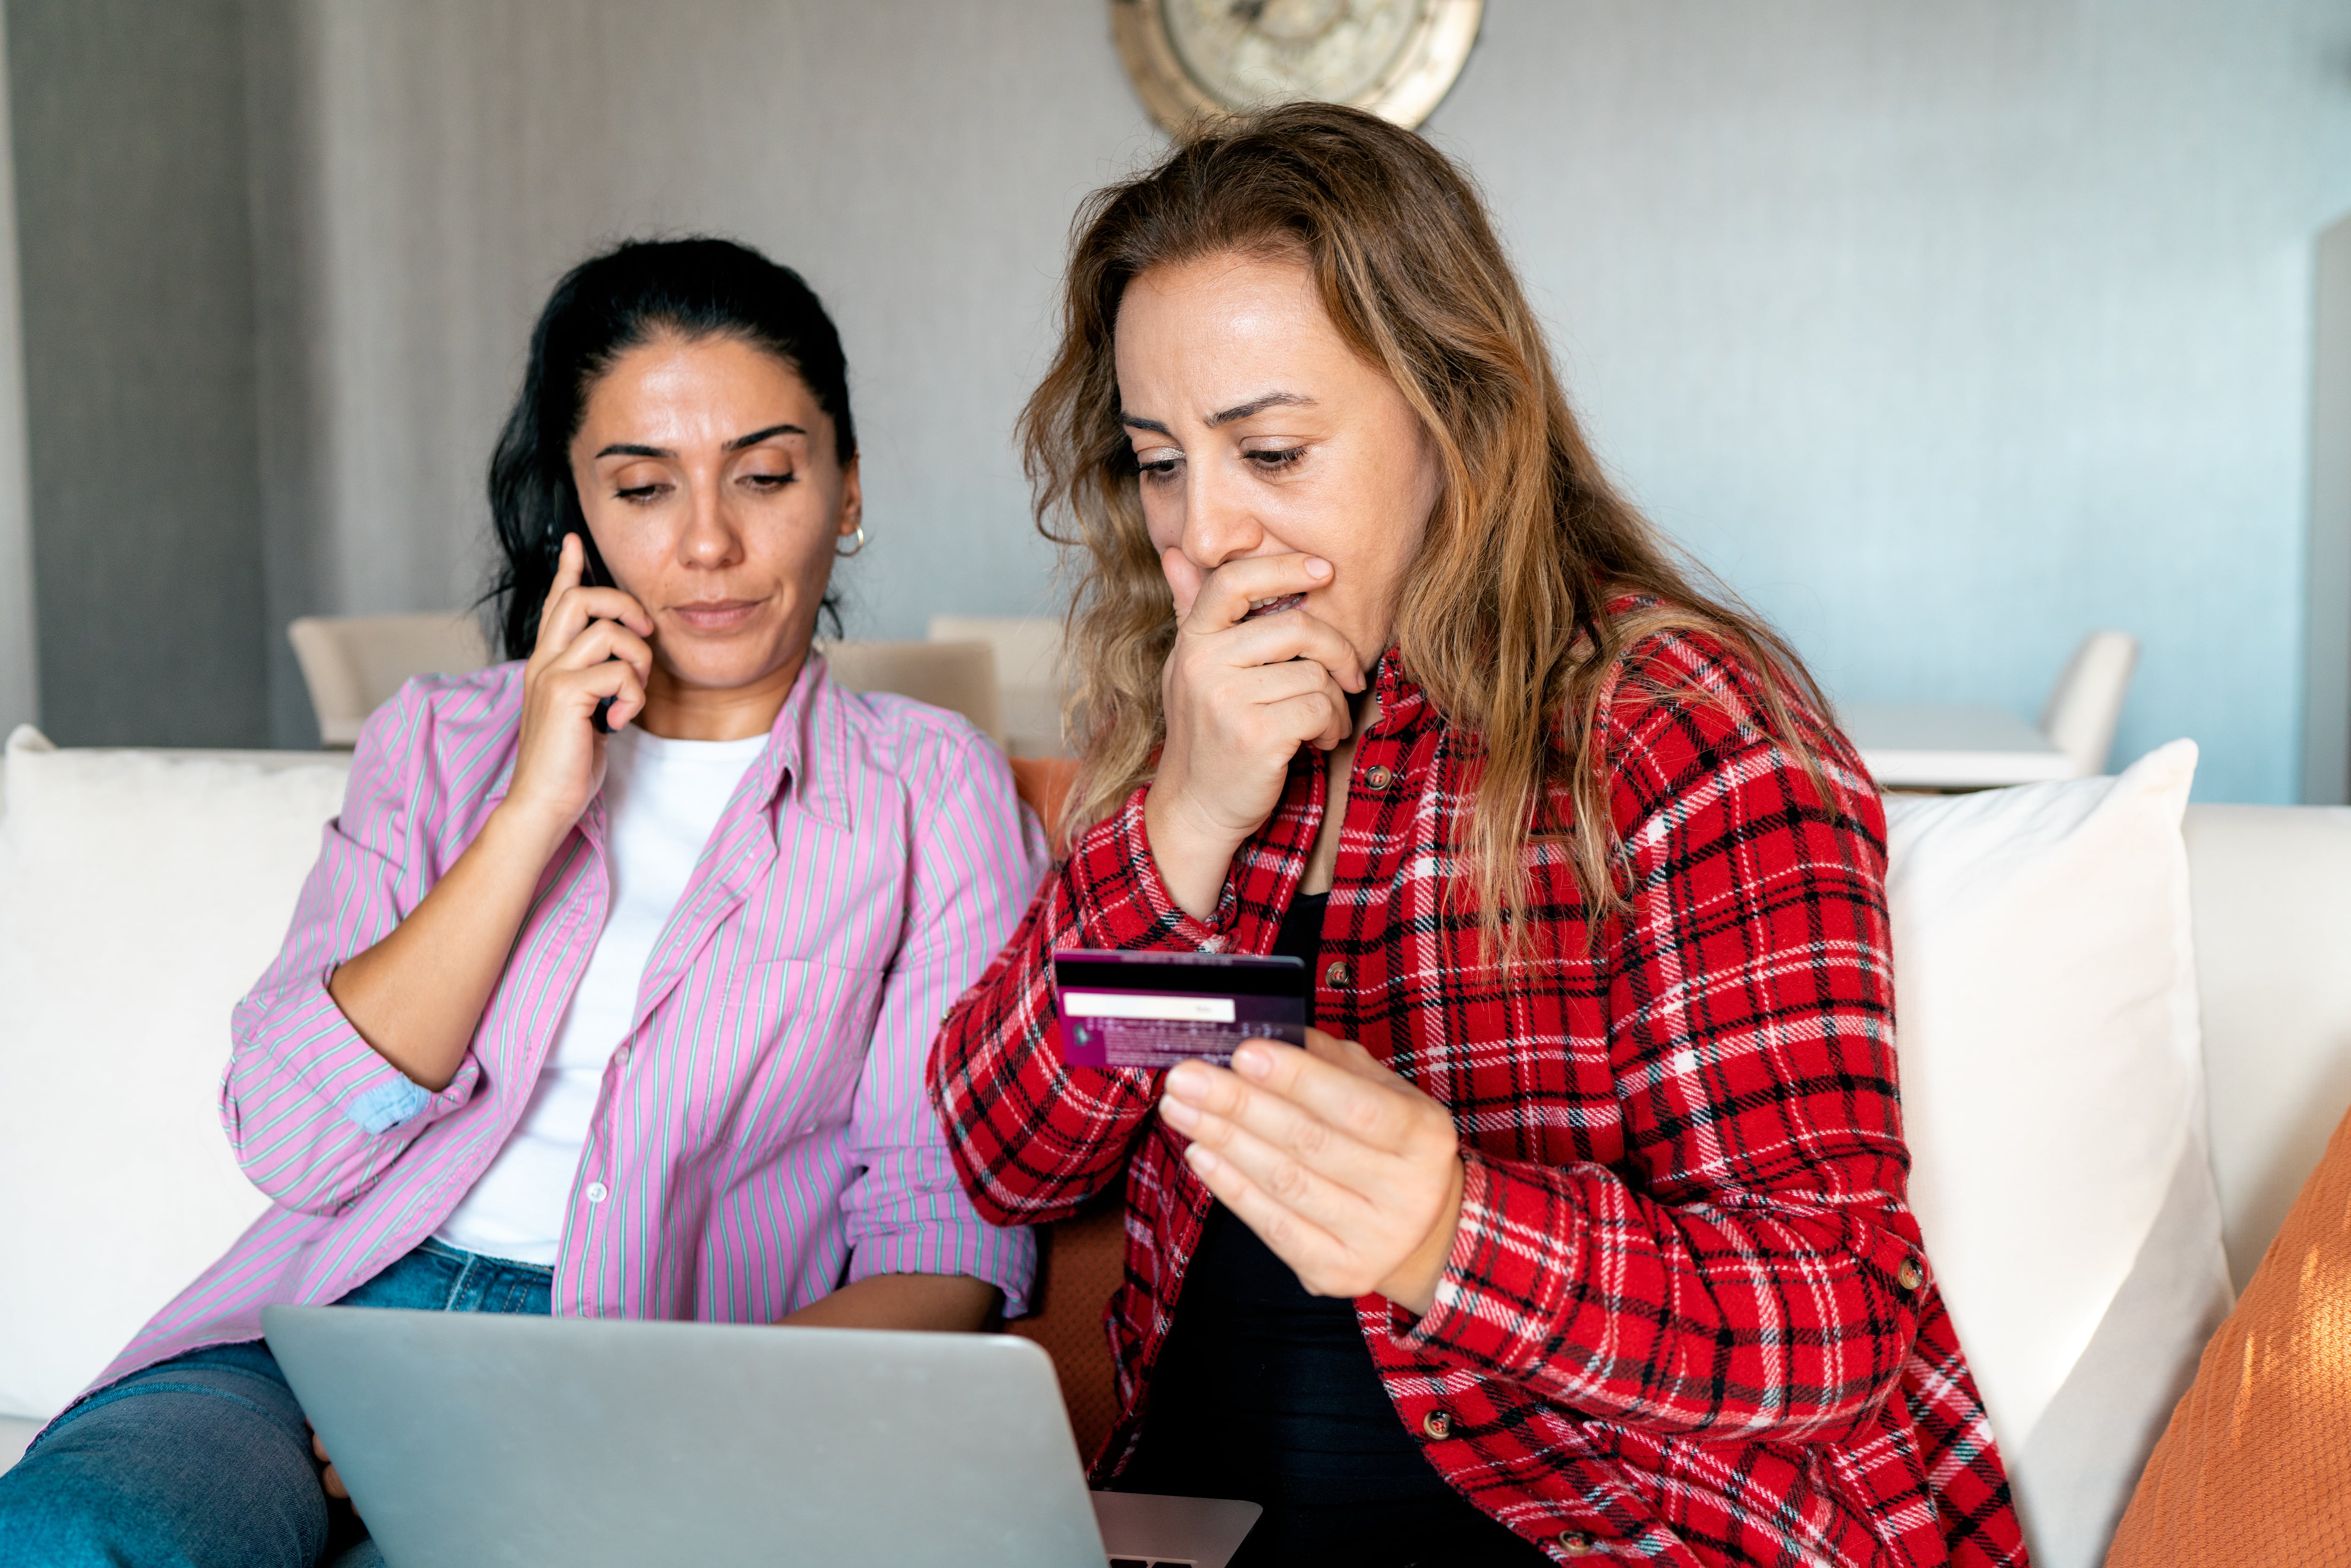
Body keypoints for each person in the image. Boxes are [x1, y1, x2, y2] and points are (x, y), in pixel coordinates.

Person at [929, 105, 2025, 1568]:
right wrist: (1182, 821)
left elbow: (1834, 1320)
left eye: (1270, 449)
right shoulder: (1186, 721)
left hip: (1599, 1526)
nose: (1207, 537)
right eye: (1160, 462)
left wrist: (1448, 1228)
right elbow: (1011, 1164)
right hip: (1198, 1523)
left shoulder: (1671, 729)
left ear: (1457, 416)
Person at [0, 237, 1045, 1568]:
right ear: (579, 511)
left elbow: (942, 1233)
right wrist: (534, 811)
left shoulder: (923, 789)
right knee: (69, 1535)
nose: (712, 542)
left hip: (643, 1390)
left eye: (767, 475)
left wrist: (584, 1417)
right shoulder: (439, 740)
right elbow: (291, 1137)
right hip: (317, 1342)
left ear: (846, 493)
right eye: (644, 487)